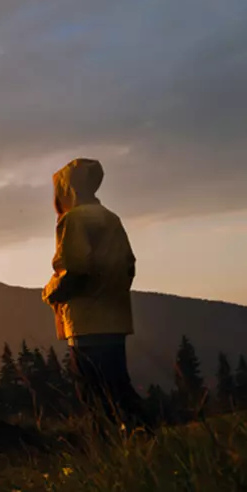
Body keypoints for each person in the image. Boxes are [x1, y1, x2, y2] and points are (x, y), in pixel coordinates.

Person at [41, 158, 144, 430]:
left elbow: (74, 270)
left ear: (66, 188)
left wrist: (51, 292)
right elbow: (128, 265)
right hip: (115, 318)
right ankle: (141, 439)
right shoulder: (110, 218)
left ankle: (114, 448)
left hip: (86, 323)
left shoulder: (73, 219)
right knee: (118, 387)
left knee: (94, 395)